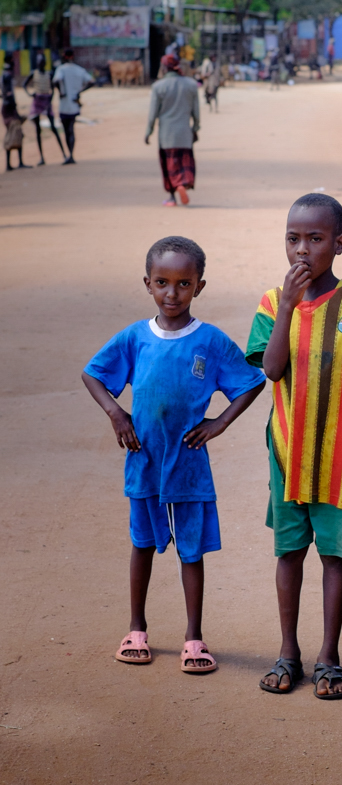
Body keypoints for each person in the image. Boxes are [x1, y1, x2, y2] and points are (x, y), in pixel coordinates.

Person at [81, 236, 265, 672]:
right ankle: (136, 628)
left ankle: (194, 638)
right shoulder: (134, 338)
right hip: (143, 461)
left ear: (199, 287)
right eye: (162, 282)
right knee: (141, 544)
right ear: (147, 283)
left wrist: (219, 422)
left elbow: (251, 381)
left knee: (191, 551)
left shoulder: (211, 342)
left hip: (188, 465)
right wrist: (116, 413)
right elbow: (93, 374)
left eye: (184, 284)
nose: (172, 293)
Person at [246, 193, 342, 699]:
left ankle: (329, 655)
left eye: (315, 239)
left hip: (337, 458)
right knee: (289, 553)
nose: (302, 250)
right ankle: (288, 651)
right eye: (293, 239)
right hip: (287, 456)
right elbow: (271, 369)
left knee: (335, 556)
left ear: (339, 243)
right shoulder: (272, 303)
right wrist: (288, 305)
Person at [145, 53, 200, 207]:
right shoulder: (191, 84)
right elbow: (196, 112)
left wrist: (148, 132)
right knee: (184, 163)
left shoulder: (158, 86)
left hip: (166, 135)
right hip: (184, 133)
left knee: (169, 164)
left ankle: (172, 196)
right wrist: (195, 128)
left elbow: (152, 114)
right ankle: (183, 183)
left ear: (164, 67)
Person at [24, 52, 67, 166]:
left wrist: (50, 101)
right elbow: (25, 85)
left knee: (54, 128)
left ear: (45, 63)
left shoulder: (49, 74)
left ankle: (64, 154)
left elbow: (53, 89)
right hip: (37, 101)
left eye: (42, 61)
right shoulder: (34, 73)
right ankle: (41, 157)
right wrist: (30, 94)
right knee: (38, 131)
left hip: (47, 101)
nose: (41, 63)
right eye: (39, 61)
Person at [52, 48, 94, 165]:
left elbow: (56, 81)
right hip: (75, 104)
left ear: (64, 56)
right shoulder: (79, 70)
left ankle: (69, 155)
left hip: (64, 105)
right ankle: (71, 154)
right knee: (71, 129)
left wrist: (61, 92)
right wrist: (79, 92)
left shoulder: (61, 69)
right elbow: (92, 82)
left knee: (67, 131)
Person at [2, 58, 28, 171]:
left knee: (12, 134)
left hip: (6, 109)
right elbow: (9, 95)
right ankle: (17, 163)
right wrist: (16, 113)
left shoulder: (4, 76)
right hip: (10, 109)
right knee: (15, 135)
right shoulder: (7, 76)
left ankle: (11, 164)